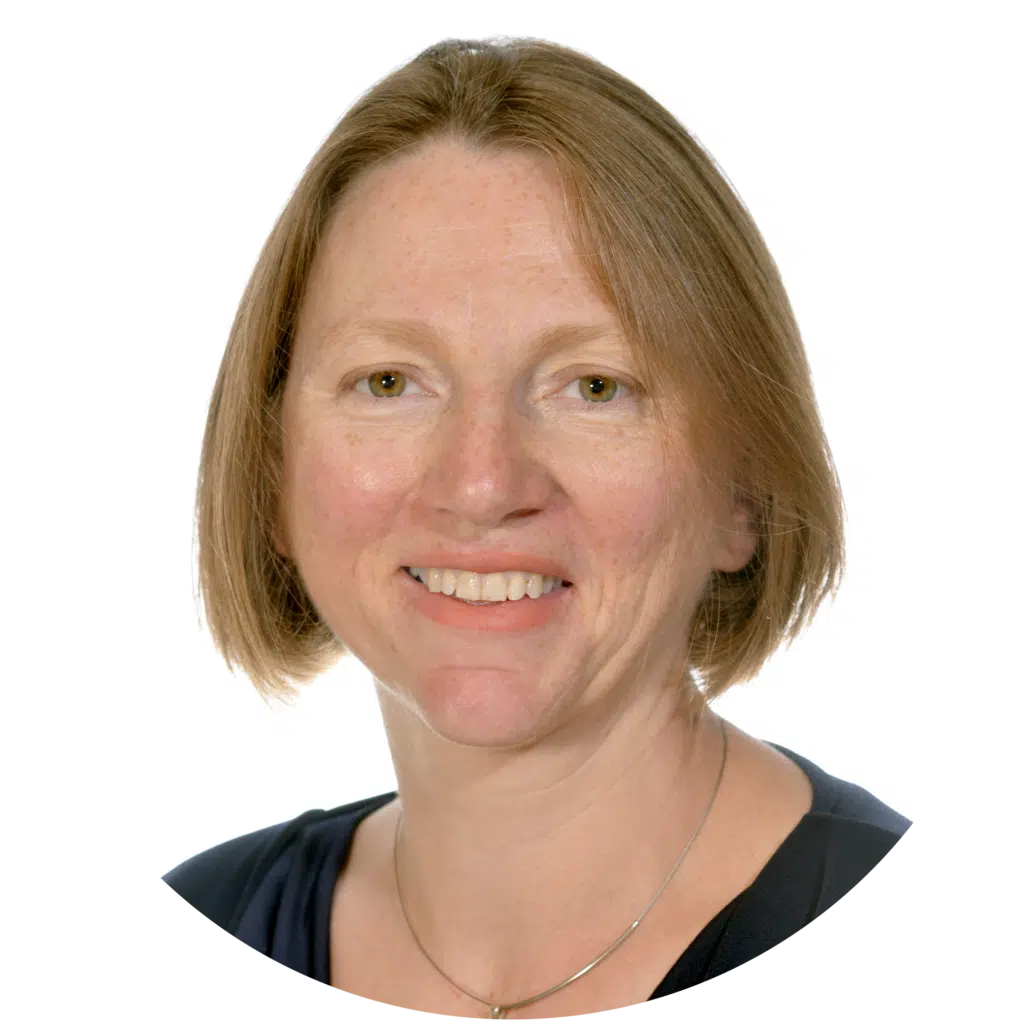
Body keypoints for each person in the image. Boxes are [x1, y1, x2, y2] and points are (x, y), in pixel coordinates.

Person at [162, 36, 914, 1017]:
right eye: (388, 382)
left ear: (744, 493)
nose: (481, 485)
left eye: (595, 387)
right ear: (271, 477)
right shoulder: (210, 910)